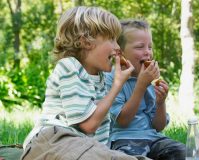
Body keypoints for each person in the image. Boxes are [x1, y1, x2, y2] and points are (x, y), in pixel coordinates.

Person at [20, 6, 145, 160]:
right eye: (111, 39)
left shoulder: (101, 78)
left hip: (82, 146)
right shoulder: (69, 66)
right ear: (86, 41)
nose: (118, 47)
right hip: (52, 140)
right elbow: (88, 125)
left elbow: (96, 139)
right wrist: (117, 86)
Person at [105, 19, 186, 160]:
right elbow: (123, 121)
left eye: (150, 47)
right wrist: (141, 86)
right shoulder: (113, 79)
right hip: (124, 139)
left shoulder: (151, 79)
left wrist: (161, 103)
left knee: (183, 152)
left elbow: (158, 126)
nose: (147, 53)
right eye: (140, 47)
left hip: (154, 138)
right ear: (120, 53)